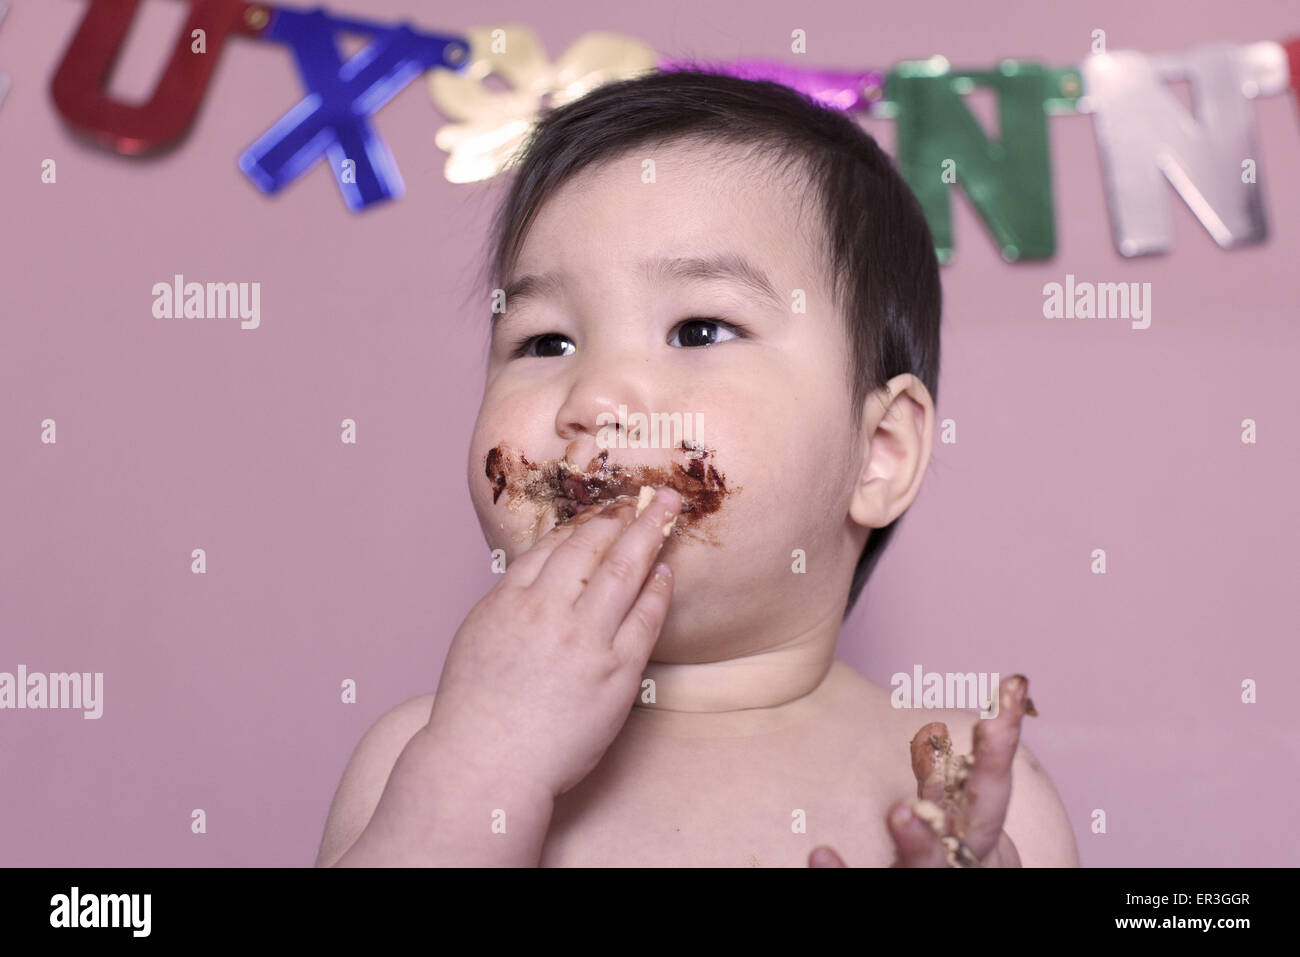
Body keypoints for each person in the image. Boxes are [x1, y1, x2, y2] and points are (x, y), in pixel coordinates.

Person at [316, 68, 1078, 867]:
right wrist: (478, 772)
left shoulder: (962, 790)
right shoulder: (422, 755)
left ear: (879, 452)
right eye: (547, 342)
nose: (596, 396)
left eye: (699, 330)